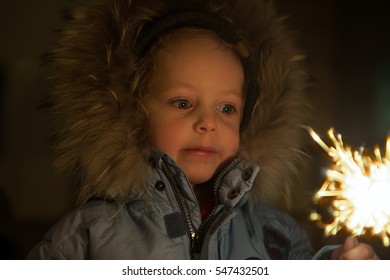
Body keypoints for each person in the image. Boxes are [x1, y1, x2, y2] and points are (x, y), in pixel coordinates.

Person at [27, 0, 379, 260]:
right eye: (183, 103)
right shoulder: (86, 238)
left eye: (227, 108)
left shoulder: (277, 236)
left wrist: (339, 265)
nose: (208, 122)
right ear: (132, 114)